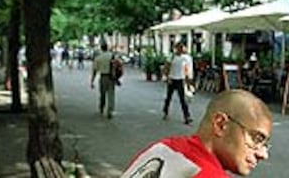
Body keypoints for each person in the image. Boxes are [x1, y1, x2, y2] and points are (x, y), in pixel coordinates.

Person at [121, 89, 272, 178]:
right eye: (256, 138)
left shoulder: (163, 148)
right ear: (221, 124)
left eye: (265, 144)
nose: (263, 154)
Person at [163, 42, 193, 124]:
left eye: (181, 47)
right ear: (175, 48)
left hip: (180, 79)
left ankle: (187, 116)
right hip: (172, 79)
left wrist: (188, 80)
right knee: (169, 97)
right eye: (178, 47)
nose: (180, 49)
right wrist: (167, 77)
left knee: (182, 99)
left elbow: (186, 69)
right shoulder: (171, 57)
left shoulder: (185, 58)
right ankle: (166, 111)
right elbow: (166, 66)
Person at [91, 43, 117, 119]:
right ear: (107, 47)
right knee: (111, 94)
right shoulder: (112, 56)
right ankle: (110, 111)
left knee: (102, 94)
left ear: (101, 48)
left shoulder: (98, 58)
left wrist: (92, 81)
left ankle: (102, 107)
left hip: (103, 77)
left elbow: (95, 70)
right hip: (111, 77)